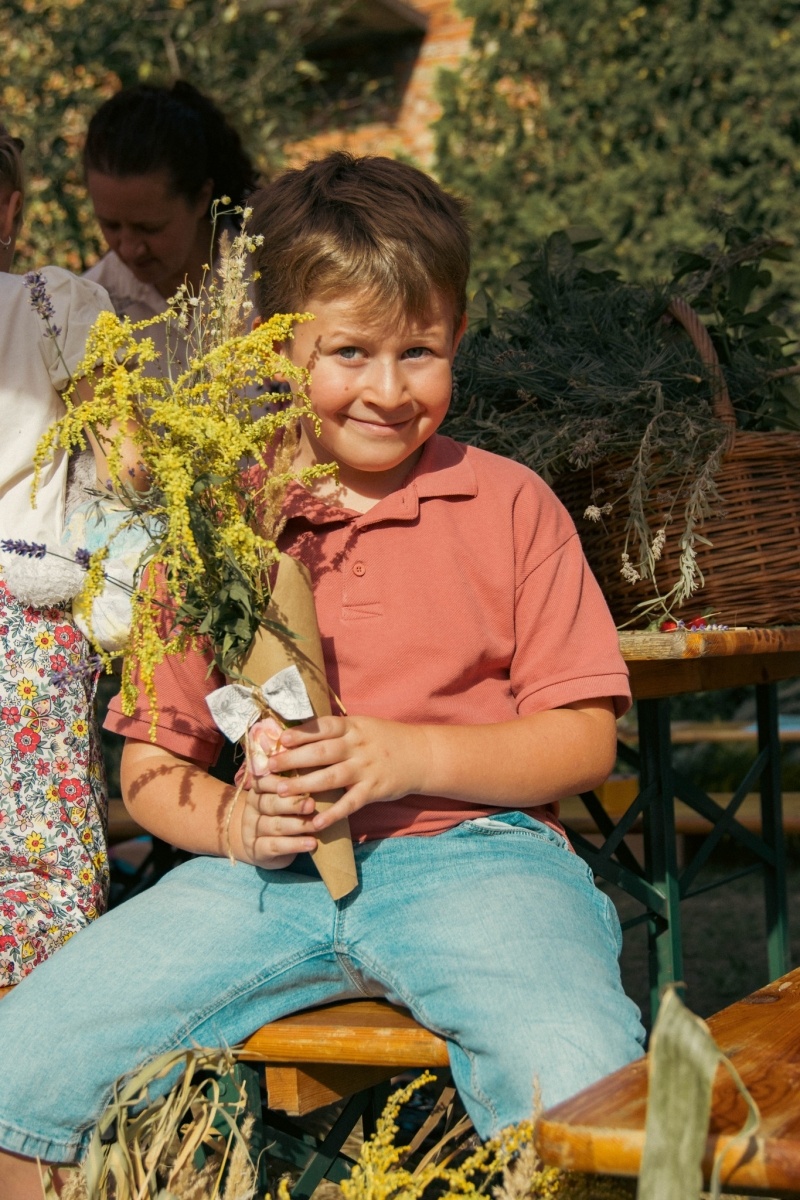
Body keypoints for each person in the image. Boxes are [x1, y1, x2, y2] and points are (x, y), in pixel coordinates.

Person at [0, 152, 645, 1194]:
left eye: (419, 353)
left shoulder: (511, 504)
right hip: (259, 884)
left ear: (456, 341)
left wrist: (404, 754)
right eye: (350, 352)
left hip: (481, 864)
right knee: (18, 1068)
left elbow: (581, 741)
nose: (387, 391)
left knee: (578, 1088)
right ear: (276, 349)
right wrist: (230, 827)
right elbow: (150, 769)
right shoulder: (216, 519)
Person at [0, 123, 117, 984]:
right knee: (43, 882)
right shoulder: (57, 303)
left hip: (26, 612)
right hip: (28, 613)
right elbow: (128, 455)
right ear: (8, 209)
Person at [83, 81, 258, 368]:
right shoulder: (91, 305)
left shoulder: (272, 276)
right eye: (110, 225)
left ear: (202, 199)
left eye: (149, 228)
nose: (129, 249)